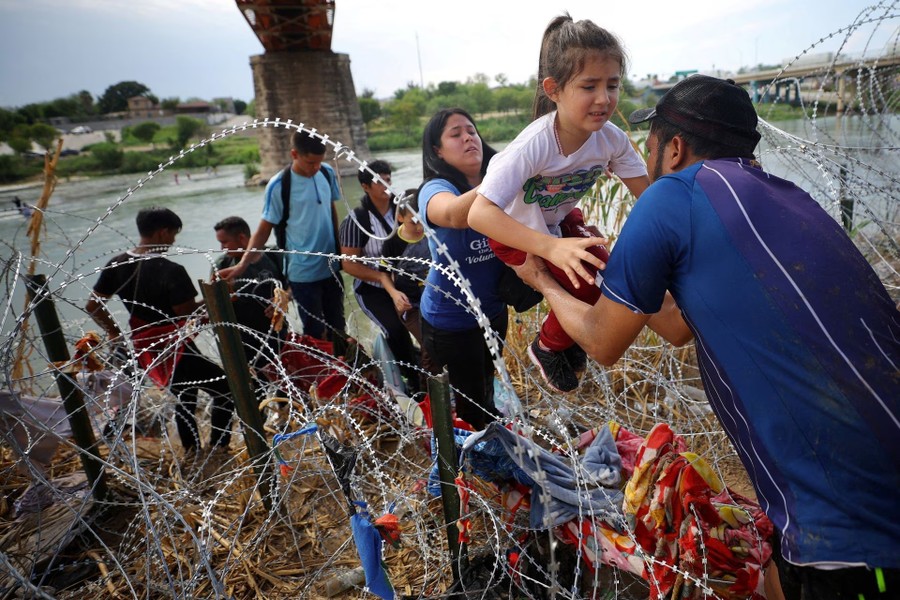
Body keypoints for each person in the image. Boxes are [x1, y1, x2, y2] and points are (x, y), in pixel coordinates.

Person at [513, 75, 900, 599]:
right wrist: (616, 267)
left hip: (847, 515)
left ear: (673, 149)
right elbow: (675, 327)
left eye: (649, 143)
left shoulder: (673, 194)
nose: (643, 154)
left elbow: (603, 344)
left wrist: (541, 283)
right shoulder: (788, 199)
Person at [469, 14, 650, 393]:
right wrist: (551, 247)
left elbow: (648, 195)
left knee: (604, 266)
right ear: (554, 89)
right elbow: (479, 214)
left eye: (612, 85)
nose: (604, 99)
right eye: (589, 86)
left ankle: (566, 337)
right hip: (514, 233)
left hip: (558, 220)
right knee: (587, 272)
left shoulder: (611, 139)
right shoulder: (534, 144)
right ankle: (548, 346)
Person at [86, 207, 234, 453]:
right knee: (225, 389)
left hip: (147, 347)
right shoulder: (171, 271)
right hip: (174, 346)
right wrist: (217, 297)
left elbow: (93, 305)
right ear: (162, 232)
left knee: (184, 394)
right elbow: (186, 315)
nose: (173, 241)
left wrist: (114, 333)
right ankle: (218, 447)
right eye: (173, 234)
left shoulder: (118, 264)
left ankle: (192, 450)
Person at [418, 108, 508, 430]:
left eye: (471, 130)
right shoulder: (435, 189)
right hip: (451, 321)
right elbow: (455, 215)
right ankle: (476, 465)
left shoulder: (498, 178)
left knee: (486, 383)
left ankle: (491, 433)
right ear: (437, 151)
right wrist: (508, 176)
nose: (469, 137)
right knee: (469, 405)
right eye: (456, 134)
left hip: (494, 310)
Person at [219, 130, 345, 341]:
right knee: (315, 332)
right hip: (302, 272)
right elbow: (263, 229)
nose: (315, 168)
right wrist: (242, 265)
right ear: (294, 154)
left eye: (319, 162)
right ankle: (324, 371)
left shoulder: (326, 172)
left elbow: (330, 209)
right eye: (310, 162)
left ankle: (345, 370)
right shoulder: (279, 186)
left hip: (331, 266)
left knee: (338, 326)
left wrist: (341, 251)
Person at [338, 160, 420, 392]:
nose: (387, 184)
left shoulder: (403, 209)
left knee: (427, 327)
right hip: (372, 289)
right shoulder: (358, 220)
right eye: (379, 180)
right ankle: (412, 380)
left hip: (409, 284)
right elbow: (349, 265)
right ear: (365, 186)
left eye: (388, 177)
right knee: (395, 329)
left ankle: (427, 372)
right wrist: (384, 277)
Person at [213, 216, 286, 382]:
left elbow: (292, 285)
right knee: (256, 383)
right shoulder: (222, 265)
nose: (222, 247)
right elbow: (215, 302)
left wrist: (282, 299)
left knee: (283, 379)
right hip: (244, 336)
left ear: (241, 237)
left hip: (275, 329)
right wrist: (226, 295)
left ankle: (284, 407)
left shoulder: (273, 256)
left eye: (225, 242)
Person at [381, 189, 436, 384]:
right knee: (429, 344)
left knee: (444, 343)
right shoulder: (393, 242)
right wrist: (395, 294)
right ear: (401, 217)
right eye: (414, 221)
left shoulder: (433, 233)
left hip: (436, 299)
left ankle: (443, 385)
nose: (420, 226)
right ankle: (429, 389)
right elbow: (384, 273)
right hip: (411, 304)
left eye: (423, 219)